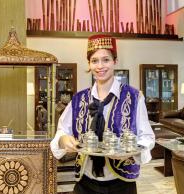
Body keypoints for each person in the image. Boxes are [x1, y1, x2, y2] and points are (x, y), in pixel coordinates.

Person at [50, 34, 155, 194]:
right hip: (84, 184)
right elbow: (62, 131)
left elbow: (147, 137)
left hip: (122, 184)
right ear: (89, 64)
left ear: (115, 61)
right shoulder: (79, 99)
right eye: (94, 60)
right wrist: (64, 140)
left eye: (106, 60)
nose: (100, 66)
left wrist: (130, 154)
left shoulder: (134, 97)